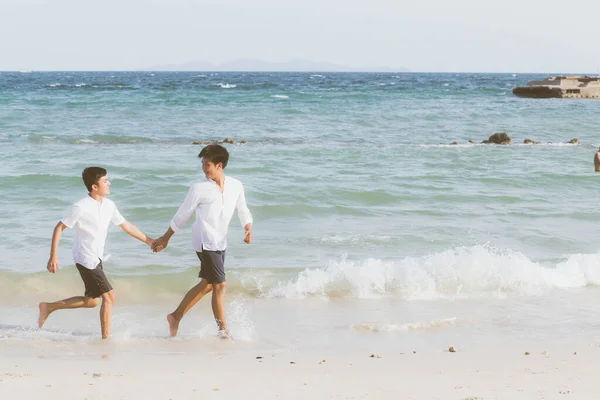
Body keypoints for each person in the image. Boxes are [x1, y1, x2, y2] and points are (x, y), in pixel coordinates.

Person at [38, 167, 154, 339]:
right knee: (110, 297)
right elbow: (59, 227)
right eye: (105, 181)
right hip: (85, 257)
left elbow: (126, 225)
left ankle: (48, 307)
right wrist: (53, 255)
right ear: (94, 186)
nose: (109, 183)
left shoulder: (109, 205)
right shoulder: (80, 206)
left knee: (92, 301)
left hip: (97, 256)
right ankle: (105, 340)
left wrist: (150, 241)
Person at [152, 144, 253, 338]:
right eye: (203, 164)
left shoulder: (236, 185)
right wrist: (166, 238)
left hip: (221, 241)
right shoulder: (199, 188)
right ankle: (223, 332)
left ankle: (175, 317)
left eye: (207, 164)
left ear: (219, 165)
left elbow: (243, 209)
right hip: (205, 241)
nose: (204, 169)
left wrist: (247, 227)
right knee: (220, 285)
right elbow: (182, 215)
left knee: (208, 284)